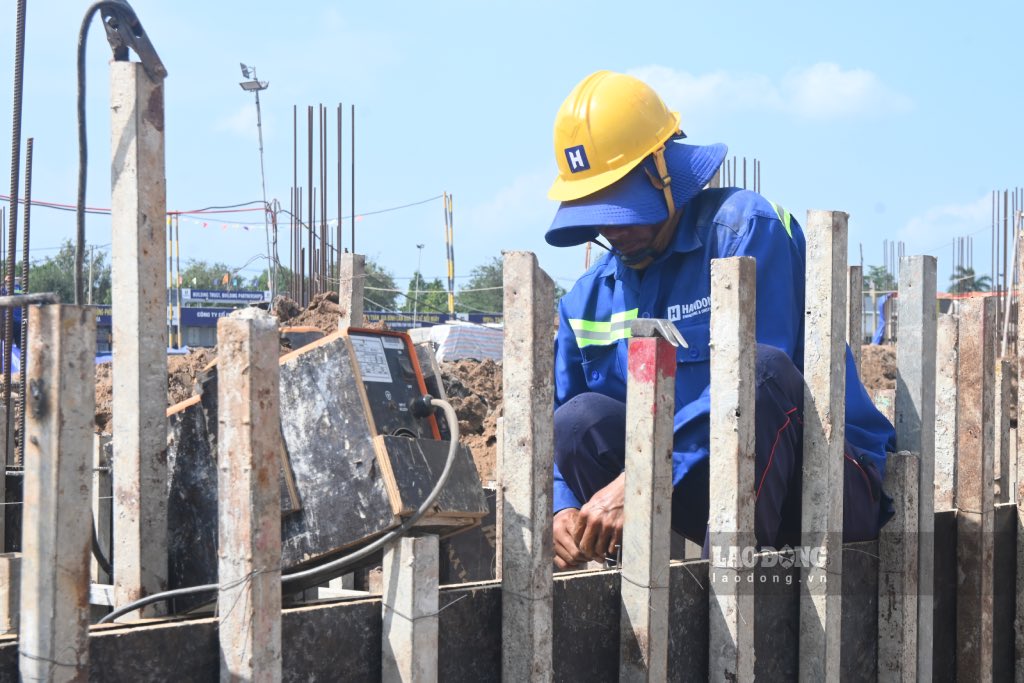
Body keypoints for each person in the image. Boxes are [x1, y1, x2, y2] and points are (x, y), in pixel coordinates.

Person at [545, 70, 897, 569]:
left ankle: (725, 618)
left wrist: (643, 476)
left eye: (622, 204)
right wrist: (563, 505)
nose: (611, 226)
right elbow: (563, 420)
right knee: (578, 423)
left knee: (757, 371)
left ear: (663, 172)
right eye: (598, 209)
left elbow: (760, 392)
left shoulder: (743, 232)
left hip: (822, 480)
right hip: (703, 490)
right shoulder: (586, 300)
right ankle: (645, 599)